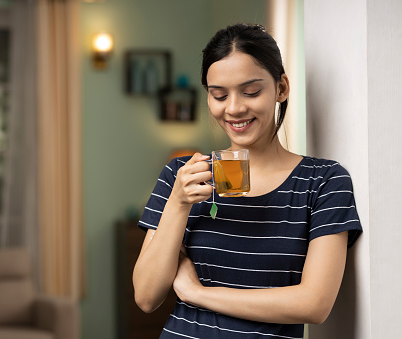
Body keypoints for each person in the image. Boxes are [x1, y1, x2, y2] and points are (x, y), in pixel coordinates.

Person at [132, 23, 362, 339]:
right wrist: (179, 203)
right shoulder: (182, 174)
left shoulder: (324, 182)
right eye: (219, 95)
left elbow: (314, 304)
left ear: (281, 88)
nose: (235, 108)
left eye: (251, 91)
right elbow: (146, 297)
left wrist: (196, 293)